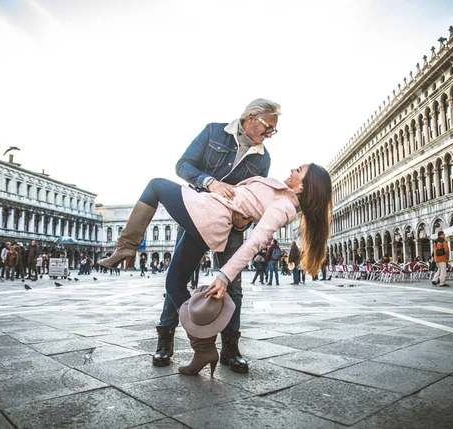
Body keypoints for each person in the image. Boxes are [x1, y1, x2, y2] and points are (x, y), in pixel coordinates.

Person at [99, 163, 332, 375]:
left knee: (156, 186)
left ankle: (126, 246)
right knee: (174, 283)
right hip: (210, 220)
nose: (293, 169)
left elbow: (255, 241)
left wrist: (224, 275)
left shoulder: (285, 207)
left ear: (302, 186)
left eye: (299, 170)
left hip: (209, 213)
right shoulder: (282, 194)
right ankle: (204, 349)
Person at [136, 98, 279, 373]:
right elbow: (183, 165)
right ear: (251, 117)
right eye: (268, 127)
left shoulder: (264, 159)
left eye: (273, 131)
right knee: (177, 279)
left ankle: (229, 348)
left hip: (231, 225)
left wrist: (246, 218)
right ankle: (165, 340)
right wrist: (208, 182)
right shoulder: (214, 132)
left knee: (233, 286)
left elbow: (257, 195)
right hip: (195, 211)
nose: (270, 135)